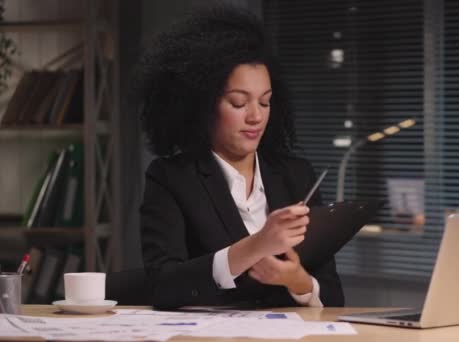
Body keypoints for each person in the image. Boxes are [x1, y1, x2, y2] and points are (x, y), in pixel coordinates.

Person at [131, 4, 344, 310]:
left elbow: (335, 298)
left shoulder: (296, 175)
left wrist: (297, 280)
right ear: (202, 105)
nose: (256, 116)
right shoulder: (170, 178)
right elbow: (163, 286)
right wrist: (257, 245)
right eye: (238, 102)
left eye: (266, 102)